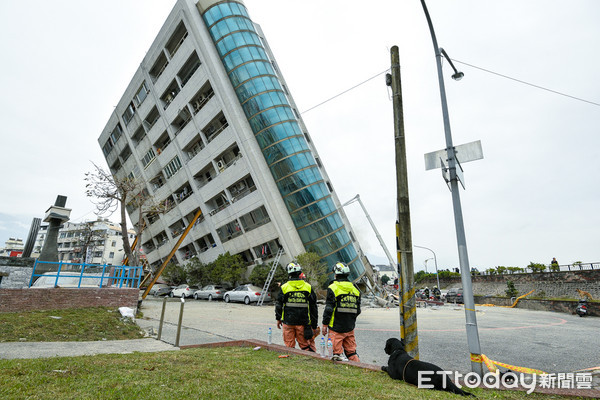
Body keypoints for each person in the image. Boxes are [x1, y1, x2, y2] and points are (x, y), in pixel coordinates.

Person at [322, 262, 361, 362]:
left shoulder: (333, 288)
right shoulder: (355, 289)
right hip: (349, 327)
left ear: (335, 274)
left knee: (336, 354)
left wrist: (325, 324)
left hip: (336, 327)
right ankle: (359, 370)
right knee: (352, 352)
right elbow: (358, 310)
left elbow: (329, 309)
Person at [275, 262, 318, 352]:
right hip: (303, 323)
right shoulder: (308, 287)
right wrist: (314, 325)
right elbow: (313, 308)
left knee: (289, 347)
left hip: (288, 322)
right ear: (300, 273)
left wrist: (278, 318)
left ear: (289, 273)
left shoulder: (284, 287)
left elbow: (279, 305)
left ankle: (291, 364)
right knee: (306, 346)